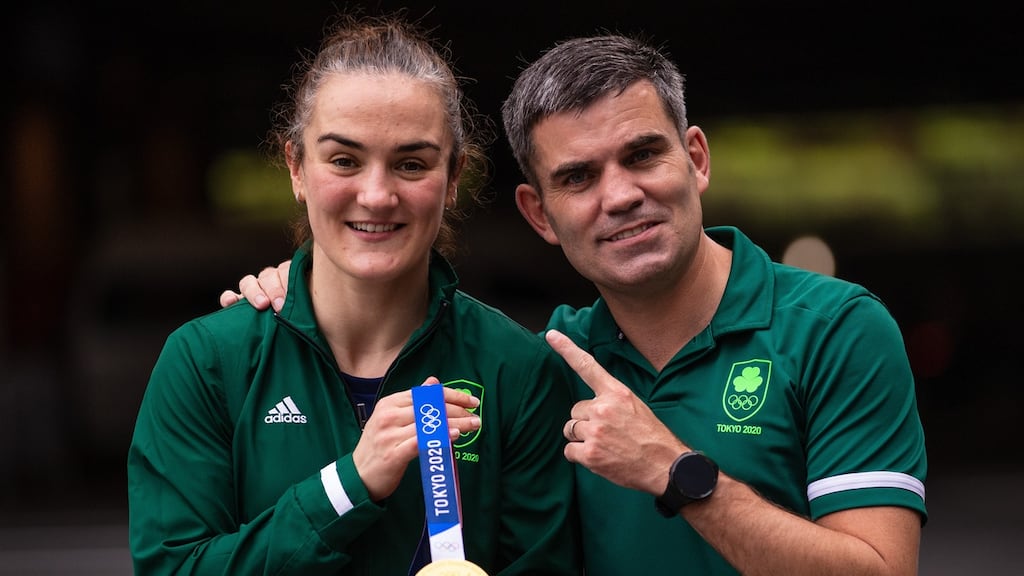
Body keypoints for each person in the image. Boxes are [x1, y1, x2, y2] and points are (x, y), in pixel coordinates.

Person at [222, 33, 928, 575]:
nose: (619, 195)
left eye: (643, 155)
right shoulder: (546, 366)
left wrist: (677, 473)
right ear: (538, 214)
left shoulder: (837, 327)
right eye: (579, 177)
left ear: (698, 158)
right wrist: (309, 288)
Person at [128, 13, 581, 576]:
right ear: (296, 166)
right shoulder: (206, 362)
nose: (377, 194)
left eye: (411, 164)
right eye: (344, 160)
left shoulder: (517, 369)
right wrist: (346, 487)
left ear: (455, 175)